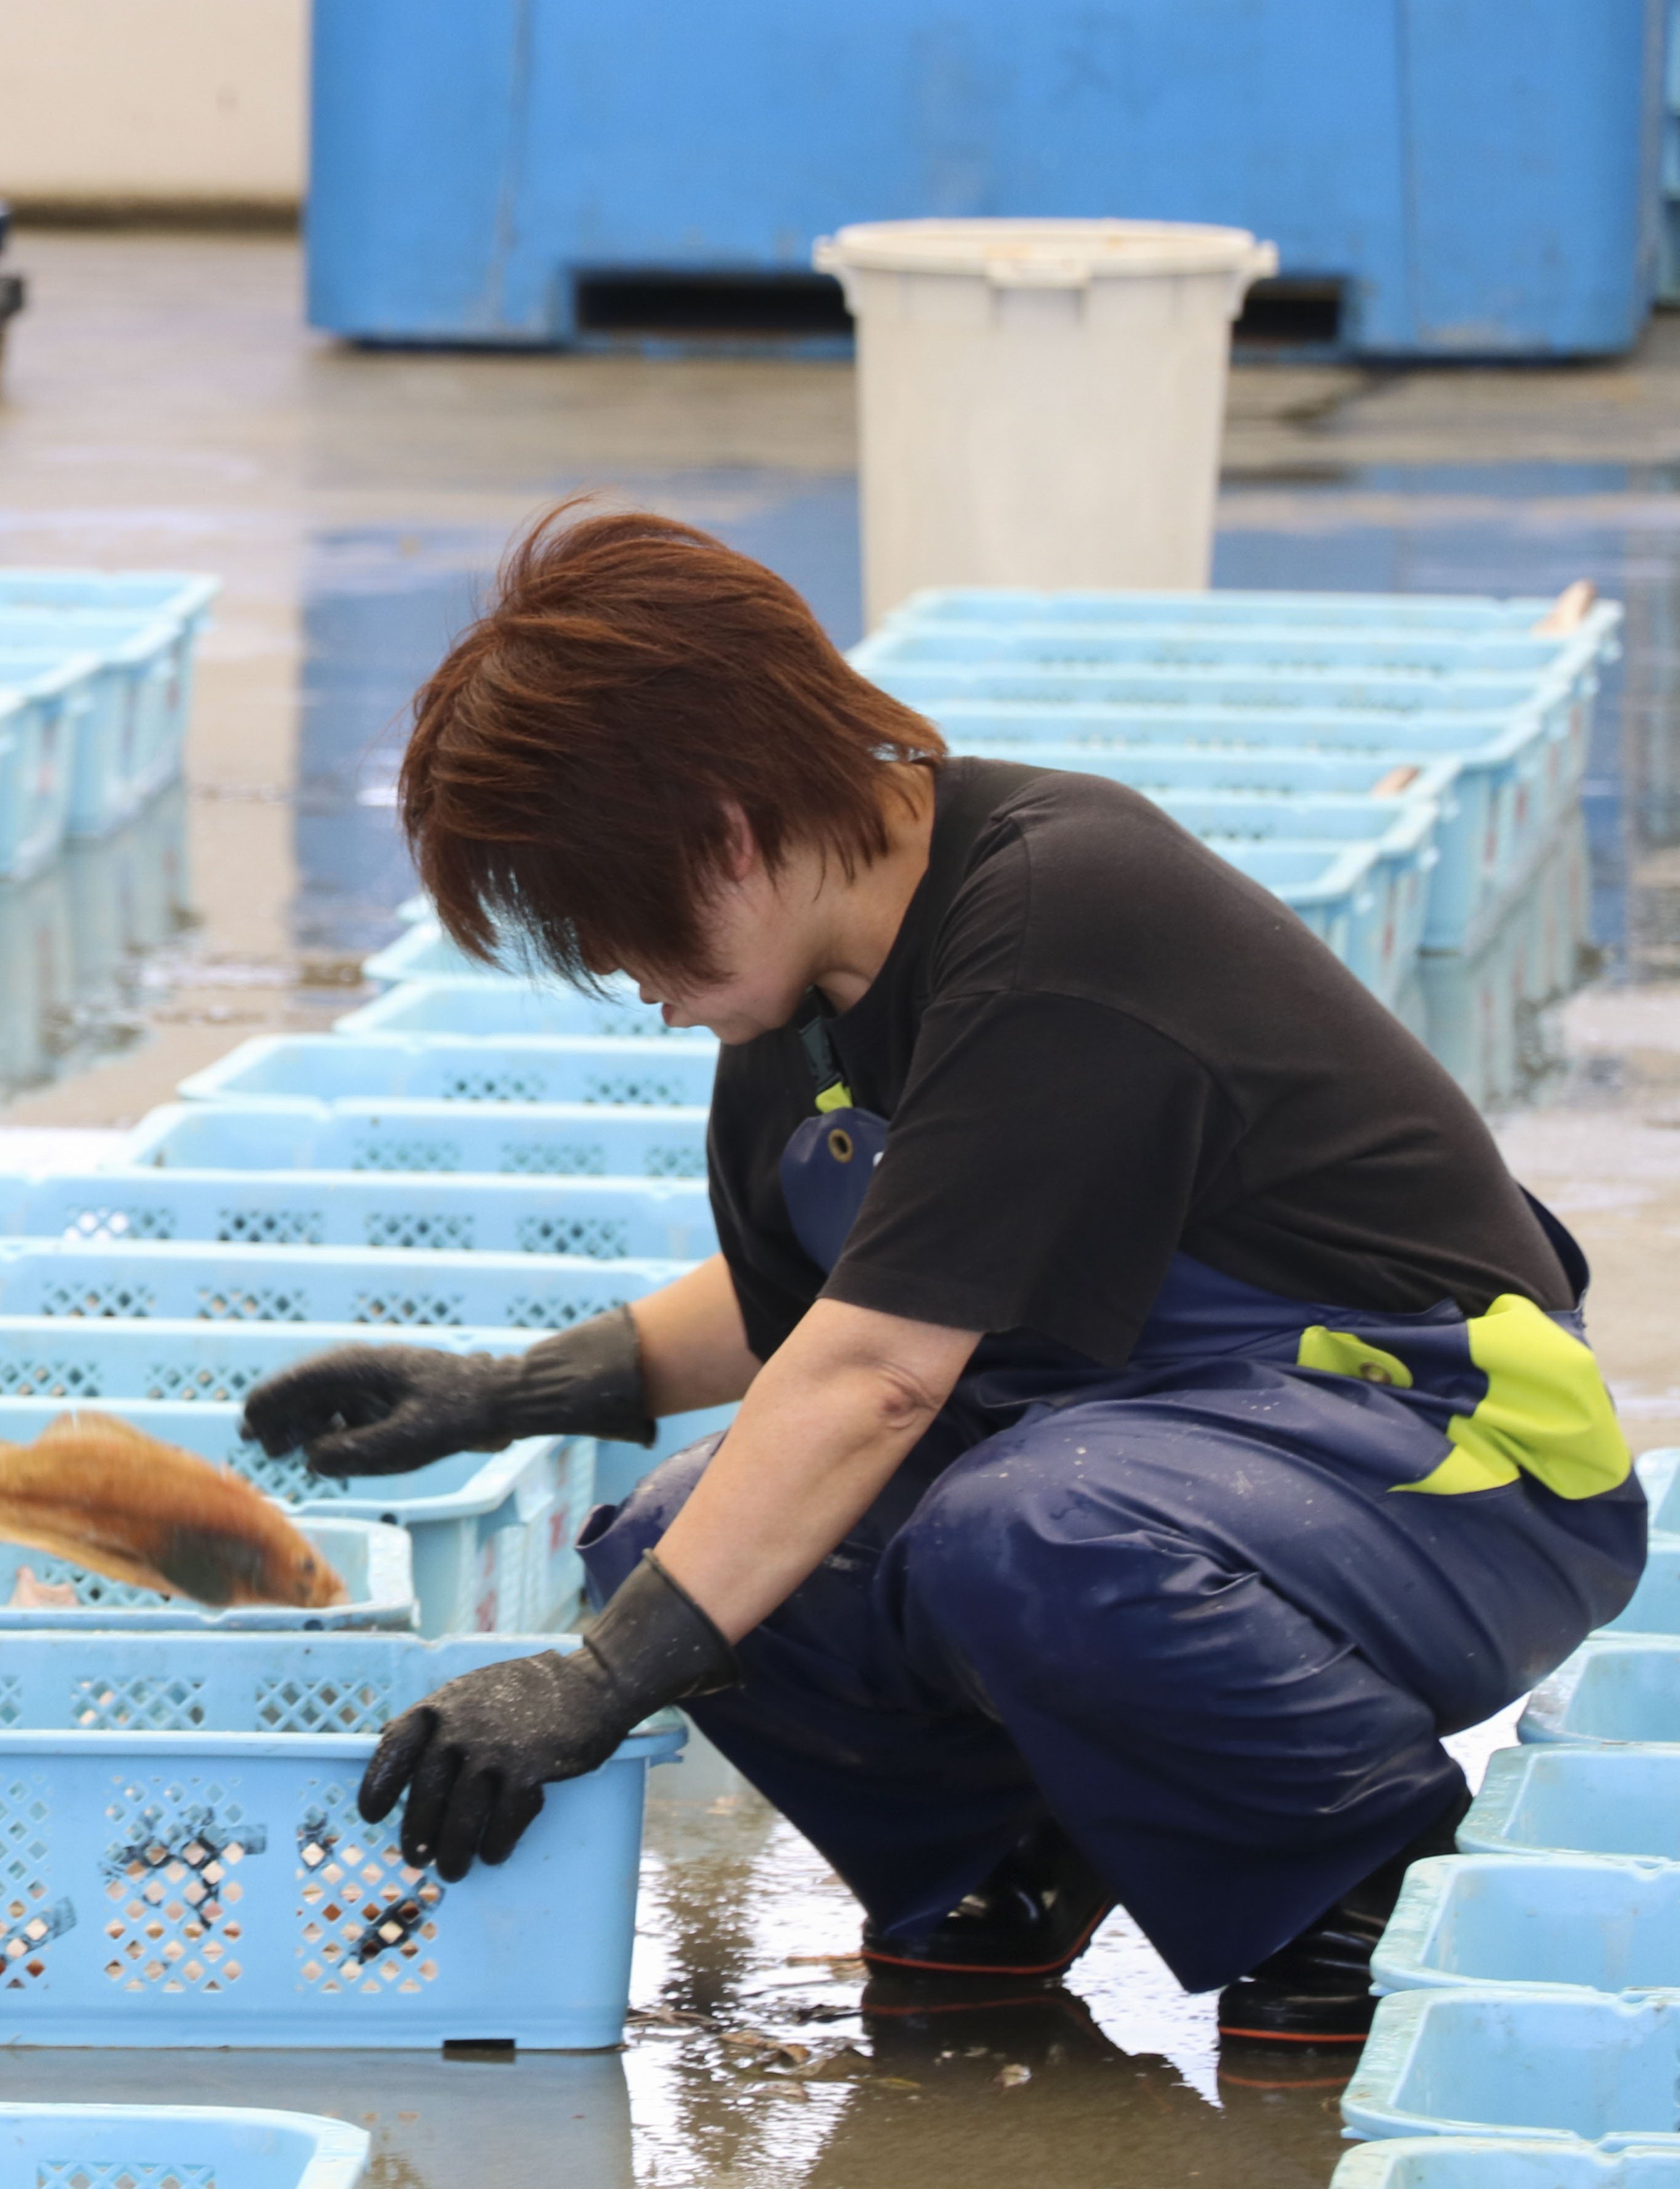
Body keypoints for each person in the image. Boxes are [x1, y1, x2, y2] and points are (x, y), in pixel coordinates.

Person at [242, 509, 1639, 2053]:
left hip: (1458, 1465)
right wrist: (524, 1389)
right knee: (677, 1530)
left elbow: (883, 1368)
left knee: (1017, 1526)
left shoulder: (1063, 910)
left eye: (611, 920)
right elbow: (872, 1288)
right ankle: (1011, 1854)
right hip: (1174, 1456)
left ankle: (1357, 1871)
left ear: (725, 829)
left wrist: (599, 1677)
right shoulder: (801, 1013)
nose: (622, 974)